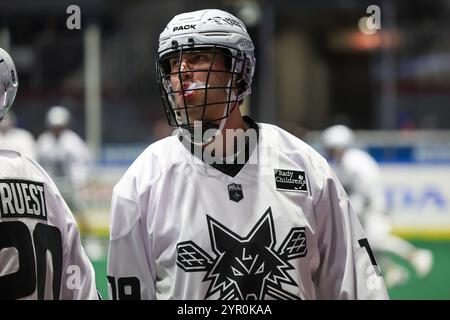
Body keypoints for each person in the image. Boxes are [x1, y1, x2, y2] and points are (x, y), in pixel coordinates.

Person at [107, 9, 388, 300]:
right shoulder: (141, 183)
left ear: (238, 71)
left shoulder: (305, 166)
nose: (181, 73)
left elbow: (354, 286)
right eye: (172, 63)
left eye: (198, 57)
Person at [0, 47, 99, 299]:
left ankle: (94, 241)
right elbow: (81, 290)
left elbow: (81, 163)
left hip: (65, 185)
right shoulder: (35, 171)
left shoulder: (66, 142)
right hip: (47, 188)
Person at [321, 124, 433, 288]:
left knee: (376, 240)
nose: (330, 151)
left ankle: (416, 255)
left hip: (373, 208)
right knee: (364, 244)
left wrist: (354, 205)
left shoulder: (355, 162)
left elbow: (366, 190)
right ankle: (394, 270)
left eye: (332, 148)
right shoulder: (342, 163)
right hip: (362, 209)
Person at [36, 106, 92, 213]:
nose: (57, 130)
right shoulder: (43, 141)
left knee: (75, 212)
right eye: (54, 127)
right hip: (50, 185)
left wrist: (79, 181)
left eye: (59, 126)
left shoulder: (73, 141)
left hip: (71, 185)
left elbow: (83, 162)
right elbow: (38, 164)